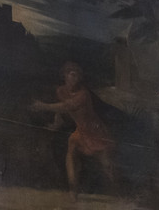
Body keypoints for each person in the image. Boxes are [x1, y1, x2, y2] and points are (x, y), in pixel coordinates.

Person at [29, 61, 117, 198]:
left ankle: (116, 190)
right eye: (71, 75)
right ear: (64, 75)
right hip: (81, 130)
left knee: (106, 163)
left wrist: (43, 106)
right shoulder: (61, 91)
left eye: (77, 76)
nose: (74, 78)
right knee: (71, 151)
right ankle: (73, 190)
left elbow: (66, 106)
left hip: (95, 131)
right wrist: (56, 124)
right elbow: (61, 111)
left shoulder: (83, 94)